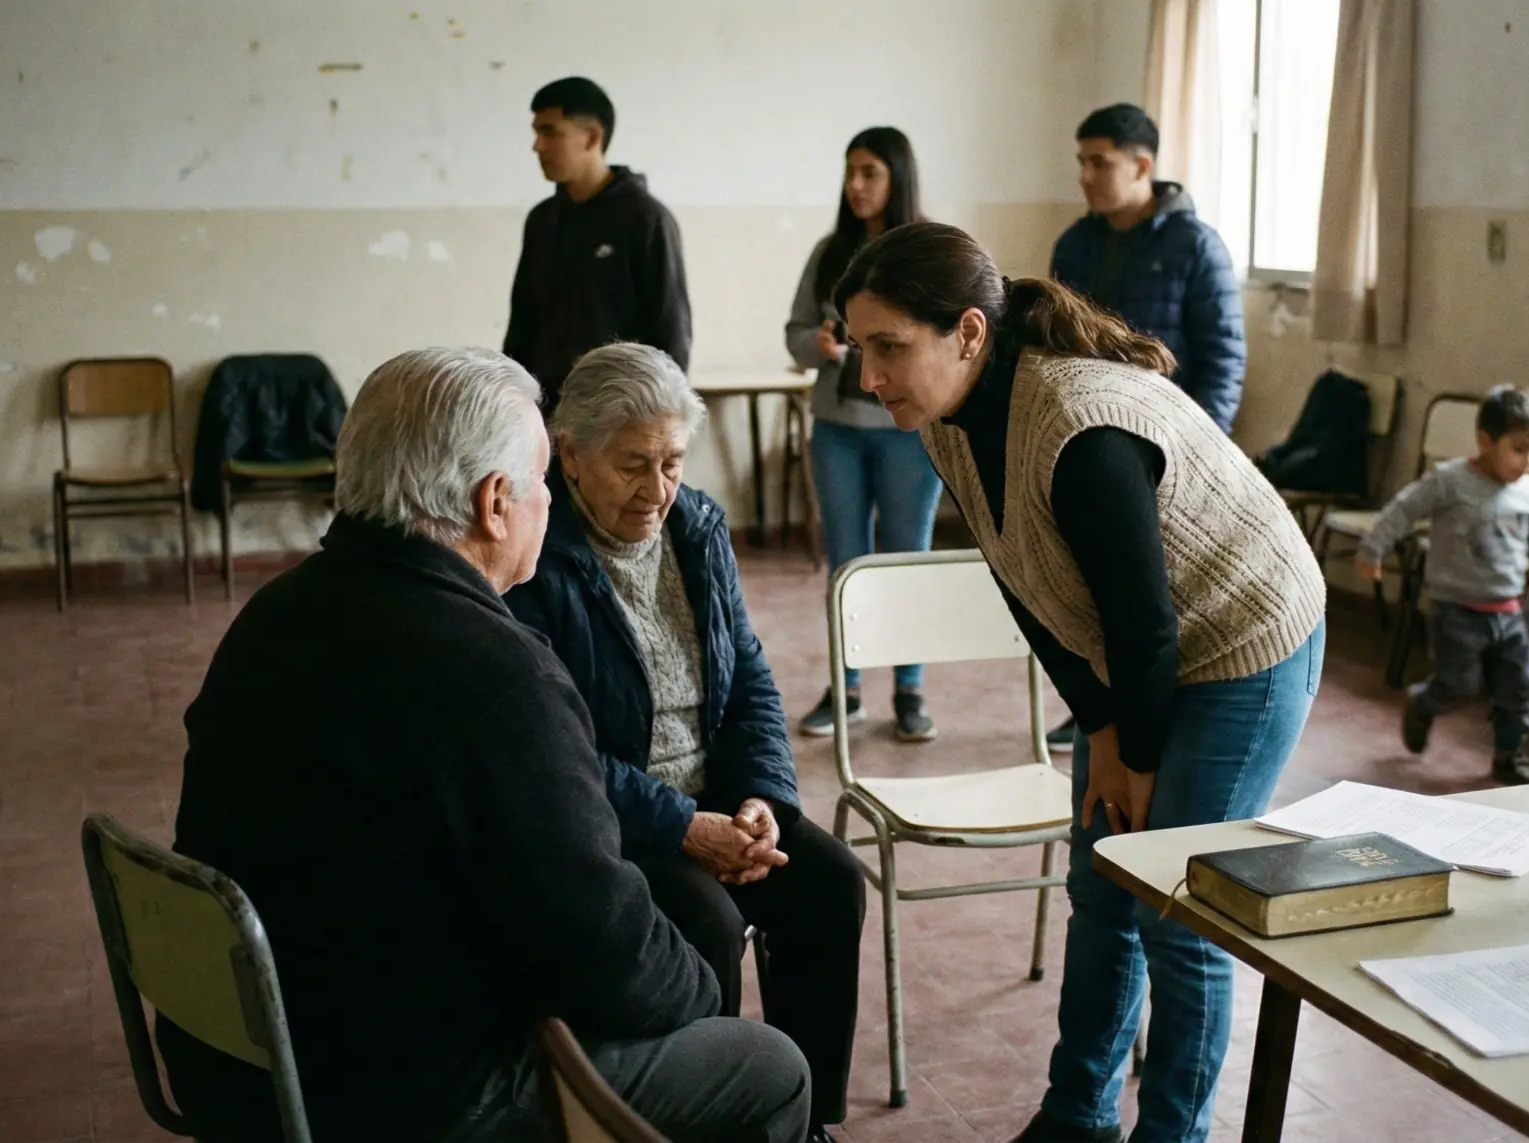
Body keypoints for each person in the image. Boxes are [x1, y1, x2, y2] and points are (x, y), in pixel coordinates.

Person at [161, 347, 808, 1143]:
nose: (550, 499)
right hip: (400, 1097)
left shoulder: (274, 613)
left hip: (239, 1059)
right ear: (496, 503)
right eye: (542, 479)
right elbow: (604, 947)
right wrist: (704, 999)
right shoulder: (496, 673)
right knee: (768, 1067)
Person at [834, 223, 1326, 1143]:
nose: (870, 376)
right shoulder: (946, 421)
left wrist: (1133, 752)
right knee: (1103, 882)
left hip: (1248, 637)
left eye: (890, 347)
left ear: (969, 333)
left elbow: (1146, 628)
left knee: (1180, 908)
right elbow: (1029, 588)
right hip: (1140, 651)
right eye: (860, 347)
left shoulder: (1080, 427)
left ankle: (1172, 1134)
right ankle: (1077, 1117)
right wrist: (1100, 731)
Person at [504, 343, 868, 1143]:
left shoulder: (697, 524)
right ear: (569, 453)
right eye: (633, 465)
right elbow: (559, 753)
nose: (658, 488)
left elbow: (750, 682)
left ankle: (803, 1124)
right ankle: (719, 1123)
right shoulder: (539, 555)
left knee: (830, 883)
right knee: (700, 920)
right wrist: (683, 827)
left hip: (718, 801)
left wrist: (762, 801)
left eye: (672, 461)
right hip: (621, 817)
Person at [1044, 103, 1247, 755]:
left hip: (1170, 450)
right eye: (1081, 161)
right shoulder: (1075, 242)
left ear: (1143, 165)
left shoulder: (1195, 245)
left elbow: (1222, 358)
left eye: (1098, 161)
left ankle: (1163, 713)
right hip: (1090, 446)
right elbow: (1055, 346)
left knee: (1160, 595)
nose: (1086, 175)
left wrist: (1196, 451)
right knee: (1094, 587)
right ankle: (1099, 709)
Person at [784, 126, 942, 742]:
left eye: (870, 172)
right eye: (850, 171)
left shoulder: (927, 250)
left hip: (908, 430)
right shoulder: (830, 252)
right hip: (838, 429)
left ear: (898, 176)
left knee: (908, 556)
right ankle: (845, 688)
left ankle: (910, 687)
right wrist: (816, 345)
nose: (855, 184)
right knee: (845, 561)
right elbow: (795, 332)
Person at [1353, 385, 1529, 785]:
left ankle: (1510, 756)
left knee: (1520, 685)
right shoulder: (1450, 481)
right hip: (1456, 610)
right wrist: (1372, 550)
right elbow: (1404, 508)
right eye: (1520, 450)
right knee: (1458, 684)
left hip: (1509, 611)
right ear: (1485, 440)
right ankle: (1423, 703)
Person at [503, 77, 690, 410]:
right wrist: (511, 400)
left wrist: (660, 417)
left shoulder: (645, 219)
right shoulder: (542, 220)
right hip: (545, 414)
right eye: (536, 133)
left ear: (591, 137)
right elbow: (522, 324)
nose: (537, 146)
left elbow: (670, 332)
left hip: (617, 414)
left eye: (549, 132)